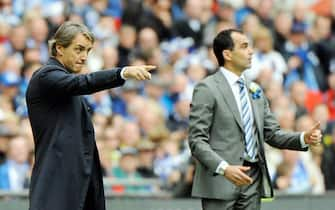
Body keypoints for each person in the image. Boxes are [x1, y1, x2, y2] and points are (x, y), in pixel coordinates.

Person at [26, 21, 155, 210]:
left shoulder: (64, 84)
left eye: (87, 51)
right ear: (59, 48)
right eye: (78, 49)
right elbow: (83, 83)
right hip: (57, 187)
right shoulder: (46, 76)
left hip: (79, 184)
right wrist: (123, 72)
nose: (84, 57)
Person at [188, 28, 322, 210]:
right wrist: (224, 168)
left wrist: (302, 138)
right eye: (244, 47)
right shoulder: (207, 88)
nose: (251, 51)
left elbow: (272, 134)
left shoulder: (255, 90)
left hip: (252, 180)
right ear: (227, 54)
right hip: (220, 181)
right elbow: (196, 140)